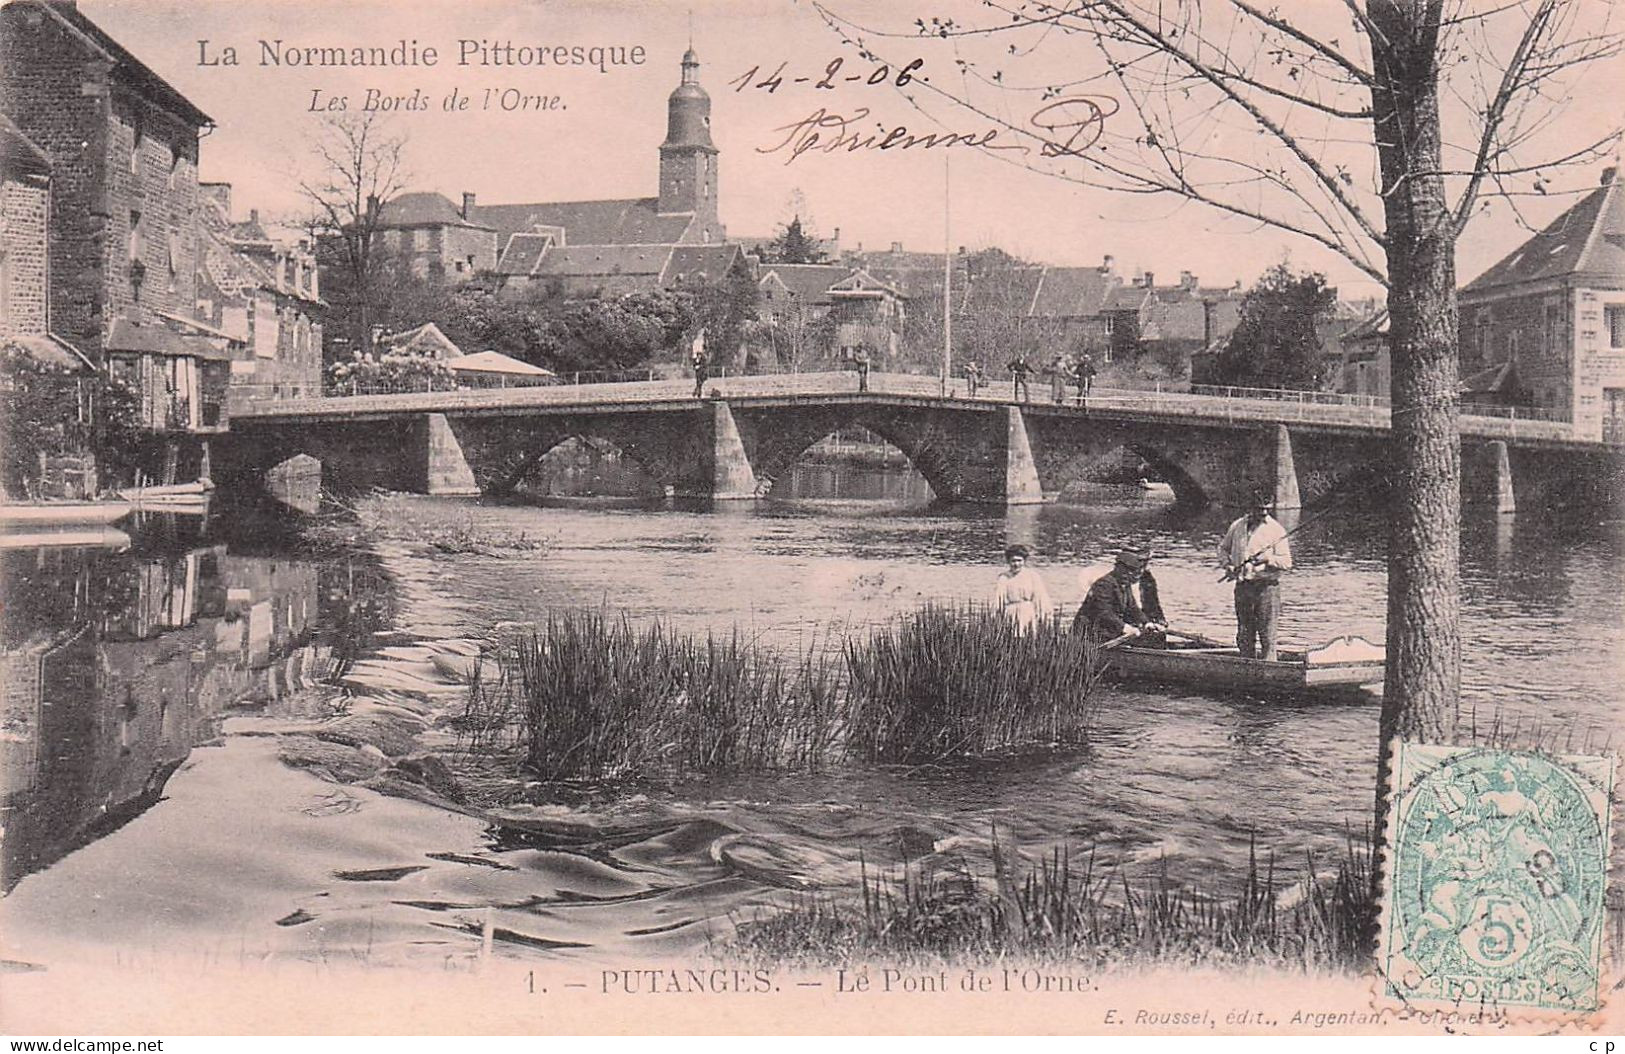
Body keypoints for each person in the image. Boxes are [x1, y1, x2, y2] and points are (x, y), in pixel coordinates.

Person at [1218, 492, 1293, 660]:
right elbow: (1223, 549)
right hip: (1243, 587)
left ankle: (1269, 672)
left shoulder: (1275, 530)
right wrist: (1228, 565)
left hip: (1266, 589)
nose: (1264, 513)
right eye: (1260, 509)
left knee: (1267, 636)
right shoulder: (1237, 526)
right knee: (1244, 635)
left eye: (1267, 509)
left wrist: (1268, 559)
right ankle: (1247, 669)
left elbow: (1287, 562)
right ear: (1250, 509)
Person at [1074, 547, 1167, 646]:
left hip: (1109, 629)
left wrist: (1146, 623)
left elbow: (1132, 608)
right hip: (1091, 634)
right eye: (1133, 571)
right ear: (1121, 569)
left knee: (1155, 638)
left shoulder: (1124, 584)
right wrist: (1124, 627)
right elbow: (1104, 613)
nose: (1135, 575)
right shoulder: (1104, 585)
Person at [993, 544, 1053, 632]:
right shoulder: (1003, 578)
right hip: (1011, 613)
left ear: (1024, 561)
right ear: (1008, 561)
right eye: (1013, 561)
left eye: (1019, 561)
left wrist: (1044, 616)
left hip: (1028, 613)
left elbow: (1040, 598)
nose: (1016, 564)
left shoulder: (1032, 576)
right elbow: (998, 600)